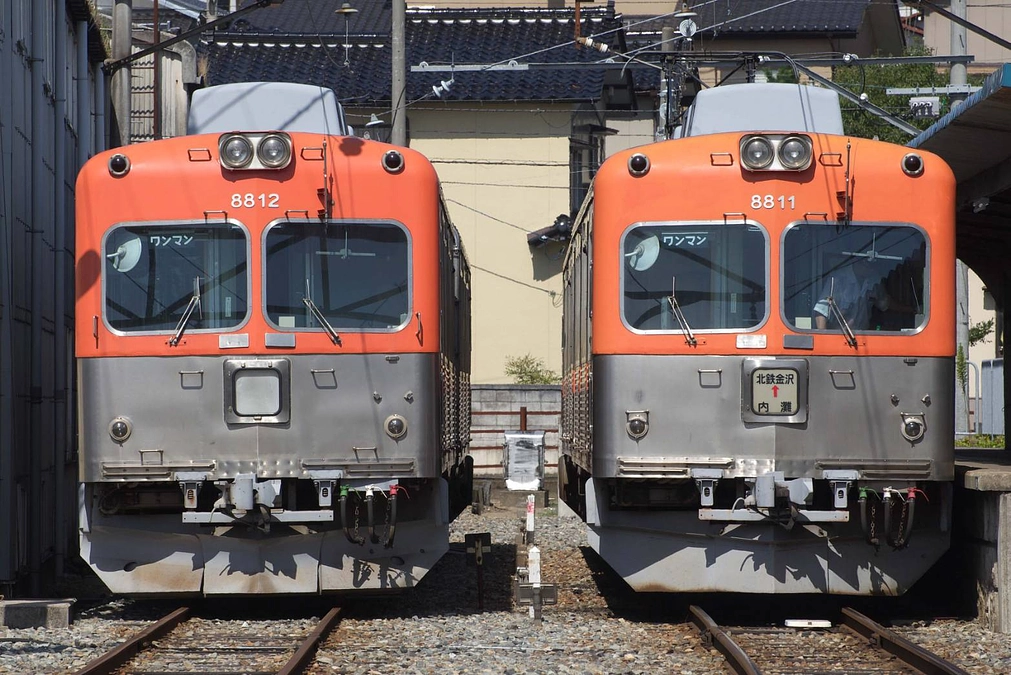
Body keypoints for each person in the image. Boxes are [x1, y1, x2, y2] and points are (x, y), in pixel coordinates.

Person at [812, 257, 892, 331]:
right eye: (867, 265)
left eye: (872, 266)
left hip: (864, 336)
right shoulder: (838, 278)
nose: (871, 269)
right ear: (857, 262)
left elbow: (884, 305)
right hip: (840, 336)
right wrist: (825, 339)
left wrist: (880, 293)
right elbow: (821, 310)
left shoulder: (874, 280)